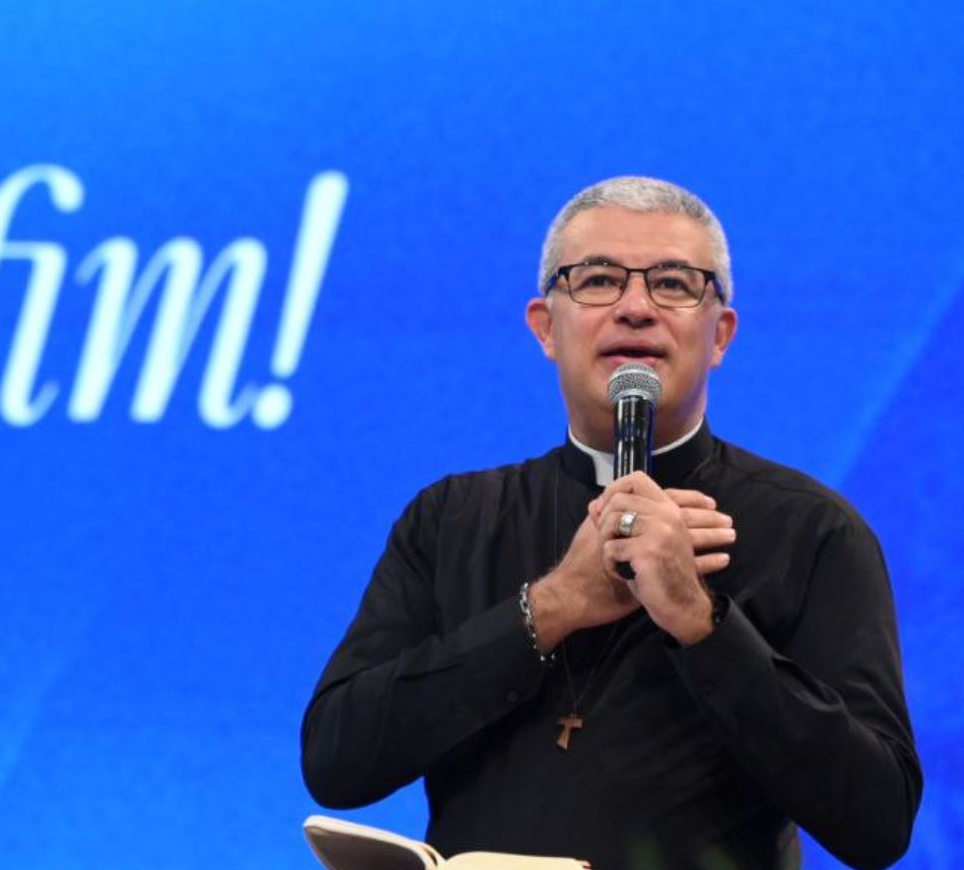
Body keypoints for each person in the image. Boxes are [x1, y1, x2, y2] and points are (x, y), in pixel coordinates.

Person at [300, 177, 920, 870]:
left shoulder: (813, 530)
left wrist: (702, 623)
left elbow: (879, 820)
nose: (635, 308)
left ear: (720, 335)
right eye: (598, 280)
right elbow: (335, 760)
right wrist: (553, 604)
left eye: (673, 284)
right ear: (545, 327)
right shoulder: (451, 520)